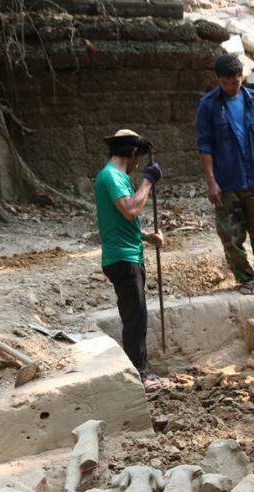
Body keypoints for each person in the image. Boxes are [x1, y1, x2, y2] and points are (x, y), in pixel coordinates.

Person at [195, 54, 254, 295]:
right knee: (231, 236)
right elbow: (205, 146)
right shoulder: (208, 106)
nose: (233, 86)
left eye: (237, 81)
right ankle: (245, 279)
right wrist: (211, 182)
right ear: (219, 80)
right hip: (227, 181)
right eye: (228, 82)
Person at [93, 129, 164, 386]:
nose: (137, 166)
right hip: (123, 258)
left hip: (127, 253)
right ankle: (139, 375)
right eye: (138, 159)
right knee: (135, 319)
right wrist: (147, 182)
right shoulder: (112, 176)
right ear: (133, 154)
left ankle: (139, 370)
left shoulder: (114, 176)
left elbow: (117, 221)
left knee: (137, 315)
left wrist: (145, 236)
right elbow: (131, 210)